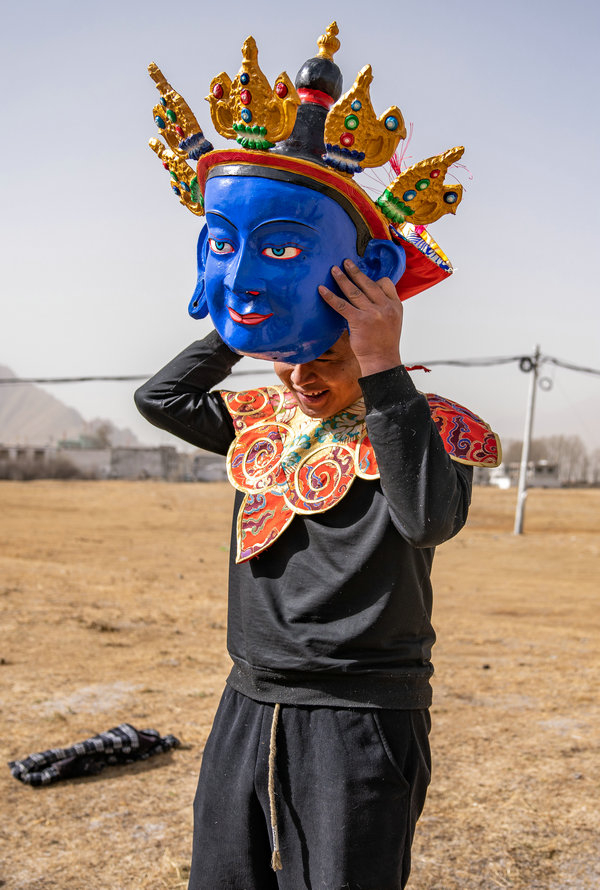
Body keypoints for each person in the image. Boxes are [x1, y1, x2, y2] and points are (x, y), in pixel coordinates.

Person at [137, 23, 500, 889]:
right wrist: (238, 316)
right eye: (291, 360)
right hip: (248, 701)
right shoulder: (262, 417)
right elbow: (161, 400)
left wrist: (377, 360)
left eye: (324, 358)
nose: (301, 376)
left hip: (361, 717)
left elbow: (427, 518)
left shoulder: (426, 424)